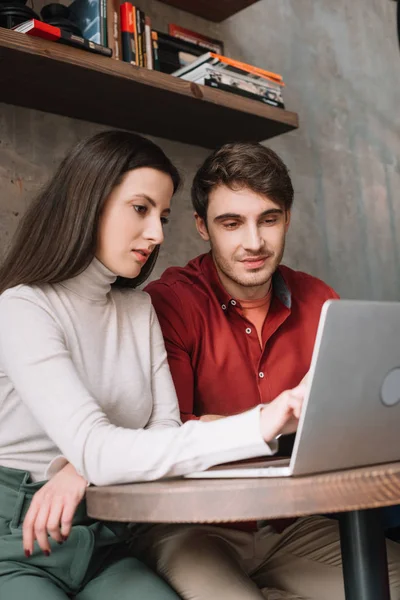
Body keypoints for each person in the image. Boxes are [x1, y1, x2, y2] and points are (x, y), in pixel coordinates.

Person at [0, 131, 306, 600]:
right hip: (17, 533)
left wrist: (80, 468)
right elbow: (97, 447)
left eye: (161, 216)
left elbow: (162, 431)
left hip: (105, 532)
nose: (158, 235)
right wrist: (259, 424)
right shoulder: (22, 309)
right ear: (89, 201)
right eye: (141, 210)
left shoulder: (137, 309)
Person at [134, 142, 400, 600]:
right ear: (202, 227)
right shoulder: (170, 303)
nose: (254, 242)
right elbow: (168, 434)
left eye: (269, 219)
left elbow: (348, 423)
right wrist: (276, 421)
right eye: (231, 223)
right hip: (194, 527)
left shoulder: (320, 300)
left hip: (290, 526)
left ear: (288, 219)